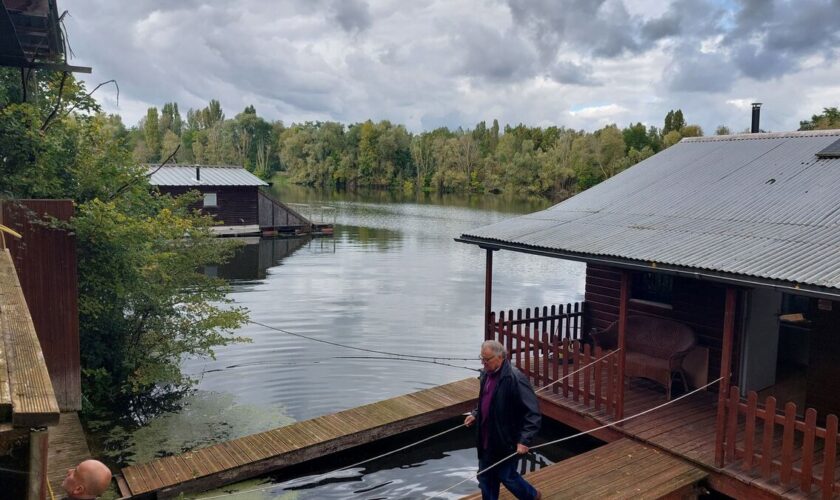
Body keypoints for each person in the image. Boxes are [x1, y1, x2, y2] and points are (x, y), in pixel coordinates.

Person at [465, 340, 542, 500]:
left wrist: (524, 440)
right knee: (485, 476)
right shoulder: (485, 374)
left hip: (505, 440)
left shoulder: (515, 378)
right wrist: (475, 413)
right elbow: (485, 400)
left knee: (507, 477)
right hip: (486, 438)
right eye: (482, 358)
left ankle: (532, 496)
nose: (483, 363)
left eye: (487, 359)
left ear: (500, 357)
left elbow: (533, 413)